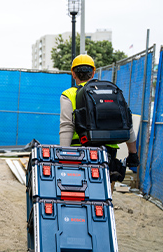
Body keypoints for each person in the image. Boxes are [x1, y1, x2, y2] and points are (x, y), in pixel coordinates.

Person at [59, 54, 139, 182]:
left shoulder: (68, 94)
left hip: (79, 149)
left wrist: (64, 154)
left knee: (81, 189)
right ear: (93, 73)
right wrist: (133, 154)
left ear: (73, 74)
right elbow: (127, 124)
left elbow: (66, 126)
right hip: (109, 152)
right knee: (105, 193)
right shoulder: (112, 91)